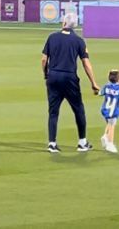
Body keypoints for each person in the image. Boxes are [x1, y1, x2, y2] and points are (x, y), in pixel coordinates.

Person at [41, 12, 99, 153]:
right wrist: (93, 82)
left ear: (63, 23)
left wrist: (46, 74)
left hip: (53, 76)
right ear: (75, 25)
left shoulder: (52, 37)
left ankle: (52, 143)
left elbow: (44, 59)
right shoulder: (79, 41)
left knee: (53, 111)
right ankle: (82, 142)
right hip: (69, 78)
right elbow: (86, 63)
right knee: (78, 109)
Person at [98, 69, 119, 154]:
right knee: (112, 126)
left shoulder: (107, 86)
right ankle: (110, 144)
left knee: (109, 123)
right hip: (113, 111)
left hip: (105, 109)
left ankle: (105, 135)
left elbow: (100, 93)